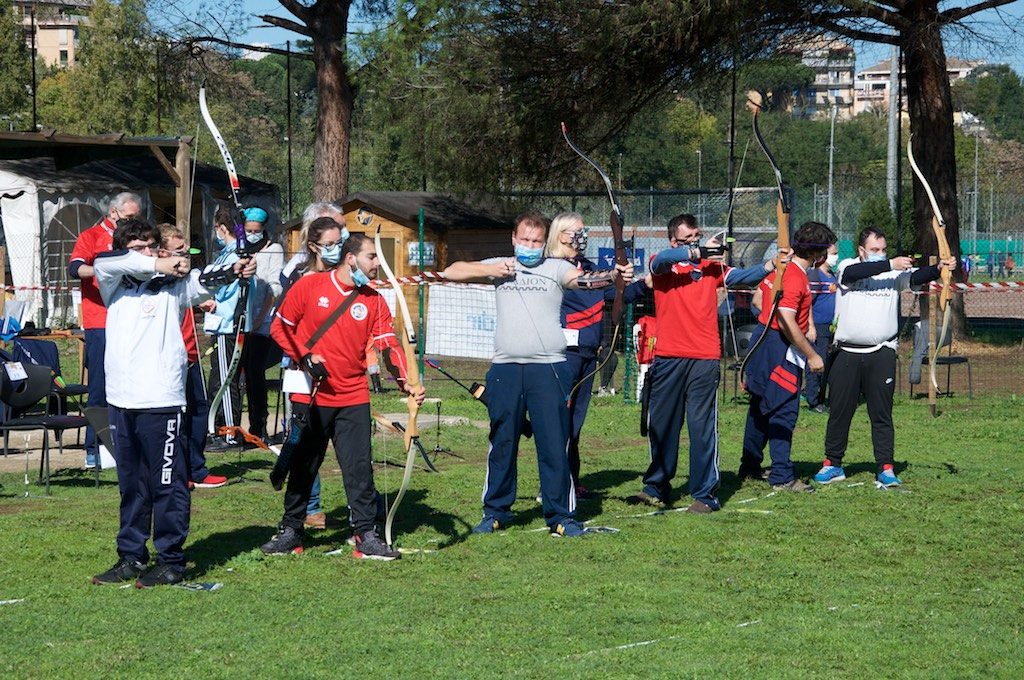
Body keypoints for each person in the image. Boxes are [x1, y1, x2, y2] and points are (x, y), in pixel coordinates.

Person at [443, 211, 630, 537]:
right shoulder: (501, 265)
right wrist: (489, 269)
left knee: (554, 443)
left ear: (545, 243)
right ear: (514, 240)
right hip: (505, 368)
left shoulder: (556, 267)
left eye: (536, 241)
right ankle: (496, 512)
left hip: (550, 369)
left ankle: (561, 517)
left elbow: (584, 280)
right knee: (503, 441)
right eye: (524, 240)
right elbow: (450, 271)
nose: (529, 246)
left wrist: (615, 273)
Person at [90, 218, 254, 587]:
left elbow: (204, 281)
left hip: (161, 400)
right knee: (131, 484)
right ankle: (130, 557)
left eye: (152, 246)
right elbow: (107, 261)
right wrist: (157, 263)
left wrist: (235, 268)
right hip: (121, 399)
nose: (147, 253)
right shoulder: (112, 280)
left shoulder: (174, 288)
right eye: (138, 247)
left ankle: (171, 560)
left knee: (166, 482)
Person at [263, 233, 426, 560]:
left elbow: (387, 345)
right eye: (372, 257)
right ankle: (291, 530)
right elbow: (281, 327)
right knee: (304, 465)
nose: (378, 264)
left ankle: (365, 534)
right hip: (312, 395)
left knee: (359, 468)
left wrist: (405, 381)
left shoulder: (373, 300)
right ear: (351, 258)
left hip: (353, 396)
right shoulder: (310, 287)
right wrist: (307, 356)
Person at [637, 213, 781, 511]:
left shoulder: (711, 266)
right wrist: (696, 252)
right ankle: (656, 486)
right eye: (686, 240)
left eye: (696, 239)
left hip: (704, 357)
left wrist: (771, 265)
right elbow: (659, 262)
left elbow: (741, 278)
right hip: (668, 356)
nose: (693, 244)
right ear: (673, 240)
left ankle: (705, 494)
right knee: (662, 425)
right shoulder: (663, 262)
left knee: (702, 427)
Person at [814, 227, 955, 488]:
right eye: (874, 250)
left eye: (883, 250)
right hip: (846, 352)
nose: (879, 255)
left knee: (881, 414)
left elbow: (918, 276)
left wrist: (939, 269)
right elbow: (856, 274)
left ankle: (885, 468)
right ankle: (832, 463)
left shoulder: (894, 274)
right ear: (861, 251)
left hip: (881, 353)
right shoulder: (847, 266)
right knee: (840, 412)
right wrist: (889, 263)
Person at [546, 212, 648, 497]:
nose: (582, 236)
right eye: (576, 231)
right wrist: (611, 277)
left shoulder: (587, 266)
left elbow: (613, 295)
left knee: (575, 423)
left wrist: (641, 284)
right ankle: (553, 485)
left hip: (588, 354)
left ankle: (570, 481)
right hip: (563, 353)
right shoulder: (554, 268)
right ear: (561, 235)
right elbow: (588, 286)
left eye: (584, 231)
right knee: (559, 423)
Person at [738, 221, 837, 492]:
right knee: (783, 409)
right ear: (819, 255)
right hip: (779, 348)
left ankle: (750, 465)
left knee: (760, 406)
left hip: (765, 340)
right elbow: (785, 318)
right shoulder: (794, 276)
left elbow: (759, 300)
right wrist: (811, 354)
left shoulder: (785, 270)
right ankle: (781, 476)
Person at [279, 215, 348, 530]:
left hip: (342, 378)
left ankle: (364, 506)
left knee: (349, 443)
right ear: (313, 246)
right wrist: (303, 355)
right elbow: (284, 327)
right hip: (305, 375)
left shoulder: (346, 277)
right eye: (330, 244)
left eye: (339, 243)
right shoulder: (300, 278)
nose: (336, 249)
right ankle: (309, 508)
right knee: (305, 442)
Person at [68, 191, 141, 467]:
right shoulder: (91, 236)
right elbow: (74, 269)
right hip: (101, 321)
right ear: (113, 213)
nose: (133, 222)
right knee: (98, 386)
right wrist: (104, 268)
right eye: (129, 217)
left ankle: (126, 444)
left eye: (136, 217)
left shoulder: (136, 239)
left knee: (130, 383)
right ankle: (93, 447)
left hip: (131, 319)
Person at [157, 224, 228, 489]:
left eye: (186, 250)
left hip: (191, 354)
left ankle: (196, 468)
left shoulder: (183, 281)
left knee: (199, 410)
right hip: (171, 360)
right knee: (176, 418)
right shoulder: (157, 283)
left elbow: (196, 286)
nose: (185, 256)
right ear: (161, 253)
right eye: (179, 251)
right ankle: (178, 472)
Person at [203, 204, 266, 450]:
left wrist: (212, 299)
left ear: (221, 228)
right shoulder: (232, 254)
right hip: (227, 325)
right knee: (220, 380)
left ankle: (230, 434)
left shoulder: (234, 256)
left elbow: (223, 287)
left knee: (226, 382)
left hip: (229, 326)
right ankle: (220, 430)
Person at [240, 207, 284, 442]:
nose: (252, 234)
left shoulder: (273, 249)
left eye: (256, 231)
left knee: (255, 373)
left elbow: (274, 286)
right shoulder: (239, 248)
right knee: (239, 373)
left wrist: (260, 317)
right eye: (248, 230)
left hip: (261, 321)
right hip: (240, 319)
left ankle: (259, 426)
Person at [802, 243, 839, 413]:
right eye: (833, 253)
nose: (836, 256)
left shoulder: (831, 275)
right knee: (816, 363)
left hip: (831, 327)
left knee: (828, 364)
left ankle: (821, 397)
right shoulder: (814, 275)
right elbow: (807, 302)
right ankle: (812, 399)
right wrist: (810, 326)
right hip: (818, 325)